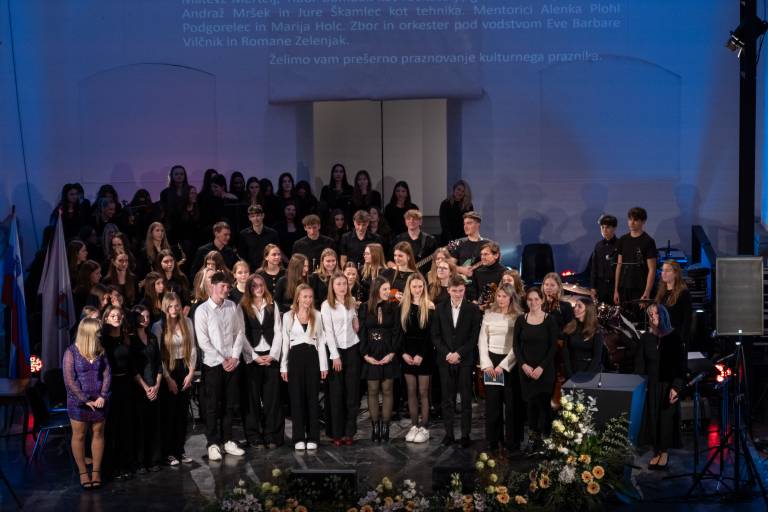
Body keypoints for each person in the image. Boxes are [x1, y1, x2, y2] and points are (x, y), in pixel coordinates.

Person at [194, 271, 247, 461]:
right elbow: (203, 341)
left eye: (228, 286)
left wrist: (234, 357)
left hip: (231, 363)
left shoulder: (232, 306)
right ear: (213, 286)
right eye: (223, 286)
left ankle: (227, 440)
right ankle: (212, 443)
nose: (226, 289)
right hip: (213, 364)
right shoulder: (202, 310)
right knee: (212, 406)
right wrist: (222, 359)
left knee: (229, 404)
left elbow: (239, 332)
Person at [431, 275, 481, 447]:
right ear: (448, 290)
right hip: (445, 360)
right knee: (447, 400)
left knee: (466, 399)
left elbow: (474, 337)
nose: (458, 294)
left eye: (461, 290)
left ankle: (465, 435)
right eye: (455, 291)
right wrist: (447, 354)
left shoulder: (472, 309)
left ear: (464, 289)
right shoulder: (440, 308)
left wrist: (458, 353)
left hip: (465, 360)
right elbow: (435, 335)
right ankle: (449, 434)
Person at [635, 304, 684, 470]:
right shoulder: (646, 338)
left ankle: (664, 451)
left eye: (655, 313)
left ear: (663, 315)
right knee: (652, 419)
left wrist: (676, 387)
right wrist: (640, 386)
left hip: (668, 384)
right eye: (650, 314)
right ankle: (656, 450)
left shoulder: (673, 337)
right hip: (651, 385)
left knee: (665, 420)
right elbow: (640, 364)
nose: (652, 316)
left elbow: (680, 365)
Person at [63, 317, 111, 489]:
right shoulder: (71, 352)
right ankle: (83, 472)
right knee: (80, 436)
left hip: (99, 400)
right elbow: (69, 380)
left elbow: (107, 374)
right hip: (78, 402)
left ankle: (96, 471)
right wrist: (85, 399)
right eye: (98, 331)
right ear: (88, 332)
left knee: (98, 433)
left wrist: (103, 396)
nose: (100, 334)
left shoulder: (101, 351)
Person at [280, 284, 329, 451]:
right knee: (297, 399)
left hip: (312, 357)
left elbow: (321, 342)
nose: (308, 300)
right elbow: (285, 342)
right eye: (305, 296)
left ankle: (313, 436)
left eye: (310, 297)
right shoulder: (288, 316)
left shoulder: (317, 315)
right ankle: (299, 437)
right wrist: (283, 367)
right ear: (298, 298)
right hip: (295, 358)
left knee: (312, 398)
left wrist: (323, 366)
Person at [240, 273, 284, 449]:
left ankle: (272, 435)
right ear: (249, 288)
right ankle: (253, 436)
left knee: (272, 398)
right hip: (252, 357)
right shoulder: (243, 306)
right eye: (254, 286)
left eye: (261, 285)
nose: (258, 288)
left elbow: (278, 331)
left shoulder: (272, 304)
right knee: (251, 399)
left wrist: (272, 355)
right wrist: (254, 356)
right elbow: (241, 334)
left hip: (270, 356)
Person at [478, 284, 524, 452]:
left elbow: (517, 345)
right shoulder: (489, 314)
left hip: (510, 362)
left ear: (511, 298)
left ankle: (512, 441)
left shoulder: (518, 317)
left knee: (512, 405)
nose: (501, 299)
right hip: (491, 362)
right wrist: (487, 363)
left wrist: (504, 366)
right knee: (492, 403)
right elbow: (482, 340)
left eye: (505, 296)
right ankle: (493, 439)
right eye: (499, 296)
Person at [153, 293, 196, 466]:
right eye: (170, 306)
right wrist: (167, 378)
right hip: (168, 370)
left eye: (176, 305)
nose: (174, 309)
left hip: (184, 368)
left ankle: (180, 450)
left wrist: (191, 372)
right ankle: (168, 452)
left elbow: (193, 347)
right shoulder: (158, 327)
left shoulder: (187, 322)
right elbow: (158, 356)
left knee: (182, 413)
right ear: (165, 307)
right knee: (169, 413)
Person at [513, 288, 558, 453]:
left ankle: (547, 440)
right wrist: (524, 365)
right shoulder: (521, 320)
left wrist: (541, 367)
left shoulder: (550, 320)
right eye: (530, 300)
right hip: (526, 371)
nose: (533, 303)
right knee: (530, 407)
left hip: (544, 371)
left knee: (545, 407)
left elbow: (553, 347)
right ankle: (533, 439)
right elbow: (516, 346)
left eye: (536, 299)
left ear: (542, 300)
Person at [321, 271, 361, 445]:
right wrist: (335, 356)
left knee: (352, 393)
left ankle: (349, 433)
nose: (342, 287)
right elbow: (328, 332)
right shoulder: (326, 305)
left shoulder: (351, 301)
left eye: (344, 283)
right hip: (335, 351)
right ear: (332, 286)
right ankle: (336, 433)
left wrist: (356, 320)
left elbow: (354, 321)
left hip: (352, 348)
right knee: (336, 393)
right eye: (338, 284)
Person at [359, 276, 400, 443]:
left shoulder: (394, 307)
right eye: (385, 289)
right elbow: (362, 332)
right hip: (371, 353)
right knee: (373, 390)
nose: (388, 292)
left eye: (389, 289)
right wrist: (365, 355)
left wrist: (392, 353)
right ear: (376, 289)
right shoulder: (364, 307)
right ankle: (375, 426)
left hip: (388, 352)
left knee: (388, 390)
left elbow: (397, 331)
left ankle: (386, 427)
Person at [398, 273, 435, 444]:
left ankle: (424, 427)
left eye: (420, 286)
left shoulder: (429, 306)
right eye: (414, 286)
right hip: (407, 354)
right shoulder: (402, 306)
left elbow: (430, 335)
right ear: (409, 287)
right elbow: (399, 333)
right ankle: (414, 426)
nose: (418, 289)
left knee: (423, 392)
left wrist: (421, 354)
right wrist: (403, 353)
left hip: (424, 353)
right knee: (411, 391)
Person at [101, 305, 136, 480]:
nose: (117, 318)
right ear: (106, 318)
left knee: (125, 426)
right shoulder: (103, 340)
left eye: (119, 315)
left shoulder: (126, 338)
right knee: (111, 427)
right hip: (110, 385)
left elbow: (132, 364)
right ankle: (112, 466)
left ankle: (125, 464)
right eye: (113, 315)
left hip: (126, 384)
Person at [129, 305, 163, 473]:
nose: (146, 320)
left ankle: (154, 459)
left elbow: (158, 363)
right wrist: (146, 388)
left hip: (154, 386)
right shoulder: (131, 339)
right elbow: (133, 368)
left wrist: (156, 385)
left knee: (154, 424)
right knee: (140, 425)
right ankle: (140, 462)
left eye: (148, 316)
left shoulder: (152, 337)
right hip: (139, 388)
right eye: (142, 317)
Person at [613, 207, 657, 322]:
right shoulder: (623, 240)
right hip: (624, 288)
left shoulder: (648, 241)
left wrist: (647, 292)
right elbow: (619, 265)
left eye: (635, 220)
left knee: (640, 322)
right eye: (630, 219)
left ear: (643, 221)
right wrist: (616, 290)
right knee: (624, 323)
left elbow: (652, 269)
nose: (632, 223)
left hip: (640, 288)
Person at [562, 298, 604, 377]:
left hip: (591, 372)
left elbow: (597, 357)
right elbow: (566, 353)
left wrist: (585, 375)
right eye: (575, 306)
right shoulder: (570, 327)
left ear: (588, 310)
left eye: (579, 306)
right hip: (573, 370)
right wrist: (569, 373)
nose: (575, 308)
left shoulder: (597, 331)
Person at [656, 260, 692, 350]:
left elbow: (687, 320)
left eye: (667, 270)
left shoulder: (683, 293)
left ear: (676, 273)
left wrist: (682, 341)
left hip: (677, 338)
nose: (663, 273)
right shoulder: (661, 293)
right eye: (663, 270)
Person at [450, 211, 493, 280]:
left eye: (469, 223)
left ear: (478, 224)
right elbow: (450, 265)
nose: (465, 227)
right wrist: (461, 269)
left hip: (483, 282)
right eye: (464, 224)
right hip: (464, 284)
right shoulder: (457, 242)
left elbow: (494, 265)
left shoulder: (488, 243)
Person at [238, 205, 280, 271]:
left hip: (269, 269)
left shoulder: (272, 234)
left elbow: (276, 253)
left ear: (263, 216)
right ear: (249, 218)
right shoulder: (243, 234)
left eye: (258, 215)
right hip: (251, 271)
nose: (256, 219)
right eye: (253, 216)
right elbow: (242, 255)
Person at [589, 214, 619, 304]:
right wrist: (593, 287)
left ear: (614, 228)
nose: (604, 230)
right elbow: (594, 268)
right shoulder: (598, 246)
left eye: (607, 227)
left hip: (614, 286)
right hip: (601, 286)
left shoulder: (620, 244)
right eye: (602, 227)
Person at [472, 241, 506, 308]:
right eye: (481, 254)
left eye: (486, 254)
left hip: (499, 309)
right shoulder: (477, 272)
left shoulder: (504, 272)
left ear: (496, 255)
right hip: (480, 309)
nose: (482, 257)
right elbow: (474, 292)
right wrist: (476, 303)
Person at [439, 180, 473, 244]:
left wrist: (461, 241)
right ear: (454, 189)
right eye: (458, 189)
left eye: (463, 191)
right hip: (447, 239)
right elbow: (444, 225)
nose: (460, 192)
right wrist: (451, 242)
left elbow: (469, 225)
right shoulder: (445, 204)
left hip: (463, 240)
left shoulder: (468, 206)